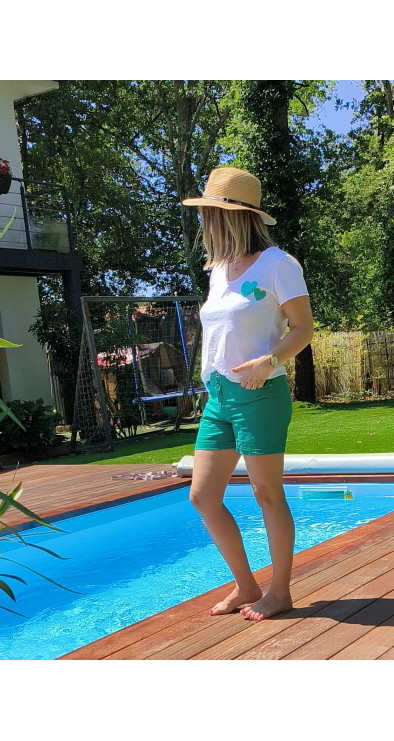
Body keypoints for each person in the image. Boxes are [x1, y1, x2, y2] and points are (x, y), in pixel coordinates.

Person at [182, 166, 314, 621]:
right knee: (203, 495)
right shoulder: (218, 271)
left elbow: (303, 329)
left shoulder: (279, 264)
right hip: (219, 397)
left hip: (260, 392)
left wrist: (268, 361)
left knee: (267, 493)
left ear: (232, 216)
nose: (204, 221)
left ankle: (279, 592)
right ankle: (246, 586)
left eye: (209, 212)